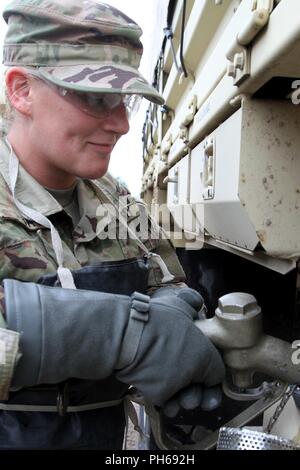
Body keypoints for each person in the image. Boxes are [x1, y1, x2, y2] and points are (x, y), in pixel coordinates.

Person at [0, 0, 225, 450]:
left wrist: (177, 322)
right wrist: (118, 336)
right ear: (21, 90)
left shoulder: (115, 199)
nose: (121, 123)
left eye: (123, 100)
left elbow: (167, 281)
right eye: (95, 97)